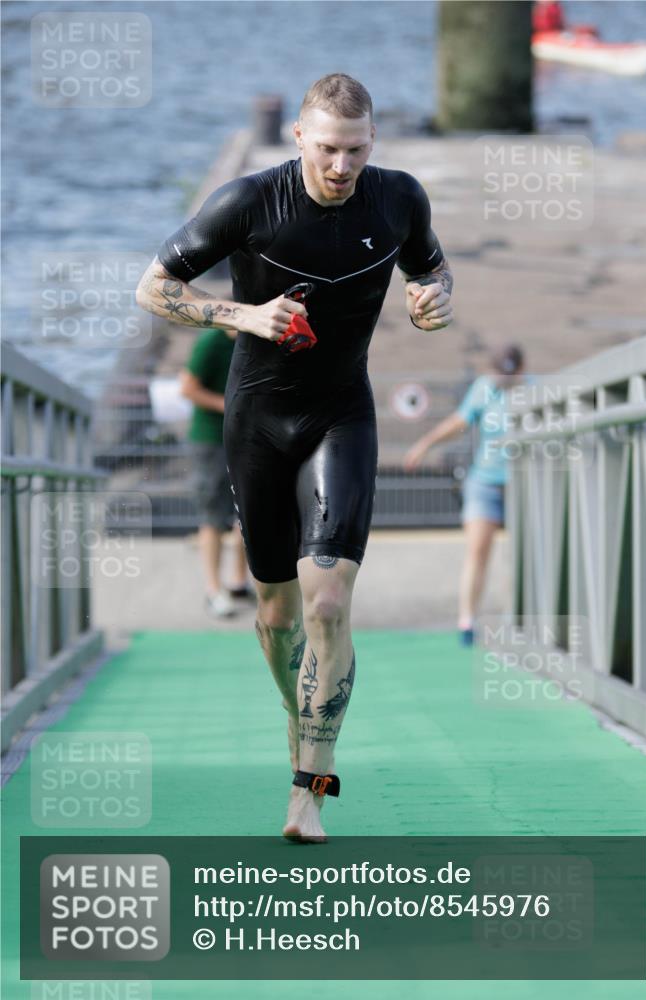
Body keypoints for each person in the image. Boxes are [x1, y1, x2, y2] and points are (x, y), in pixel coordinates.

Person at [136, 73, 454, 842]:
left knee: (328, 603)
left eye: (355, 149)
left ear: (371, 143)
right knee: (277, 617)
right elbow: (153, 288)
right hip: (256, 420)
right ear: (300, 140)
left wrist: (434, 300)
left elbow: (430, 270)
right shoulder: (247, 202)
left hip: (342, 412)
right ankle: (300, 712)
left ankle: (308, 788)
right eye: (328, 150)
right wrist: (242, 313)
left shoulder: (399, 198)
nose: (341, 166)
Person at [403, 345, 525, 646]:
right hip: (485, 483)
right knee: (478, 552)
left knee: (521, 556)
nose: (504, 379)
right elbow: (459, 421)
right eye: (500, 372)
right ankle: (468, 620)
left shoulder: (533, 391)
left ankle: (516, 621)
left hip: (522, 485)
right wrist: (425, 444)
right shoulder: (484, 389)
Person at [180, 326, 251, 619]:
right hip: (210, 440)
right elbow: (187, 388)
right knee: (212, 516)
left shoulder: (257, 337)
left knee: (247, 514)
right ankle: (213, 590)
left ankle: (239, 581)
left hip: (247, 436)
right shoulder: (212, 341)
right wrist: (230, 406)